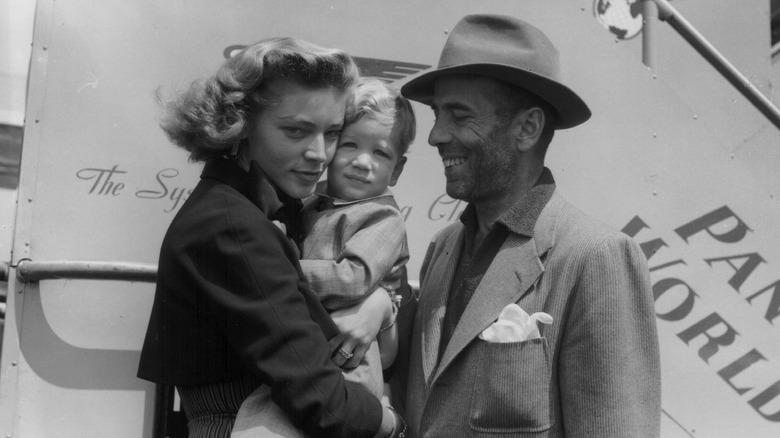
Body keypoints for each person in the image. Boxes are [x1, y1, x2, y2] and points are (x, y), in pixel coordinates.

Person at [394, 14, 662, 437]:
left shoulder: (596, 257)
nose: (436, 136)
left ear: (528, 128)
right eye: (436, 114)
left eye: (459, 115)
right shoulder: (443, 248)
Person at [137, 37, 405, 438]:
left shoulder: (273, 211)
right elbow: (322, 399)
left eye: (332, 133)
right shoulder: (232, 226)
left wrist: (381, 301)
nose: (320, 154)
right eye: (296, 131)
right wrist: (394, 426)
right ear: (239, 125)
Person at [232, 77, 415, 437]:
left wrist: (278, 266)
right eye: (350, 145)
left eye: (380, 153)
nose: (363, 162)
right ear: (330, 147)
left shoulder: (383, 217)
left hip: (350, 363)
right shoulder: (308, 204)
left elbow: (354, 278)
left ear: (398, 168)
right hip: (306, 352)